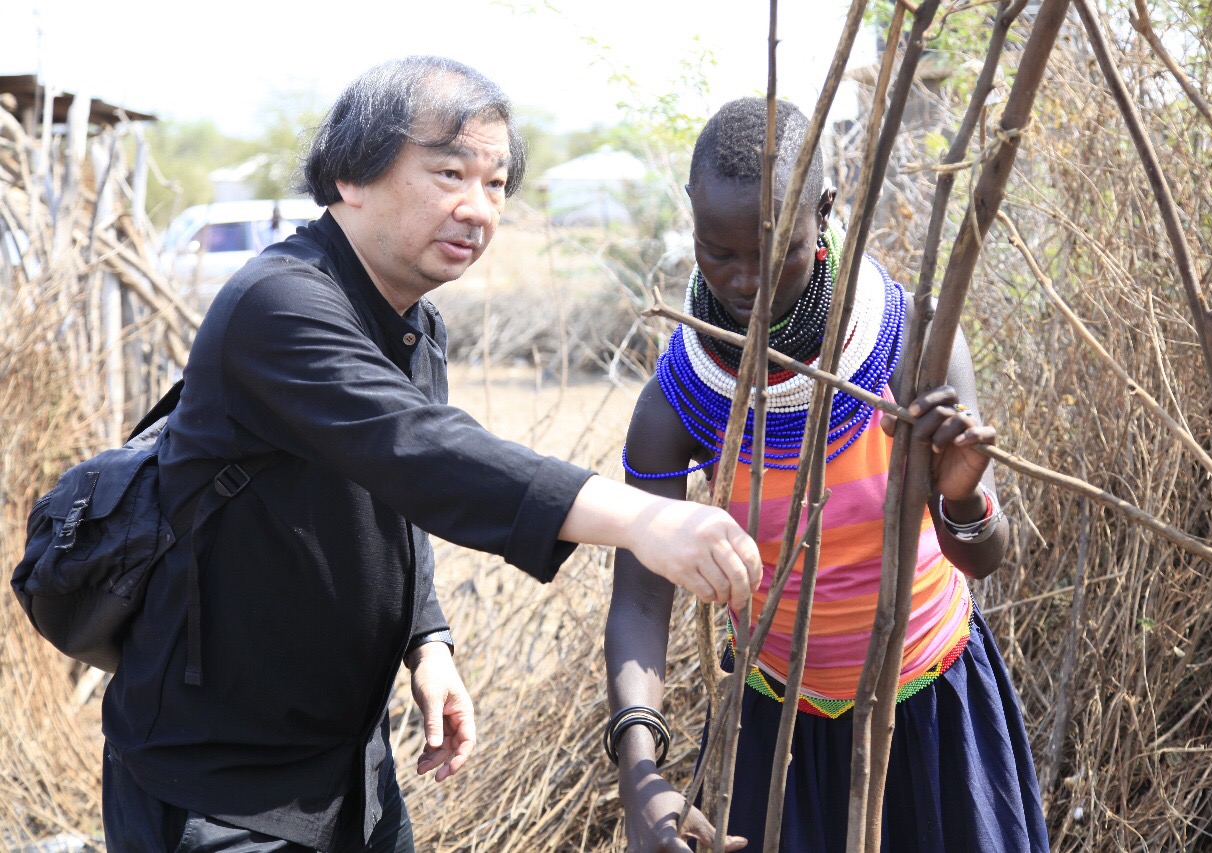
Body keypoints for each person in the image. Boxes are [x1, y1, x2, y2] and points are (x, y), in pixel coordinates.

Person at [100, 57, 762, 852]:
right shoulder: (279, 304)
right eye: (451, 172)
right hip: (220, 780)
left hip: (349, 766)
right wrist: (643, 517)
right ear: (352, 174)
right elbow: (423, 451)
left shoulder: (410, 318)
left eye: (496, 184)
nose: (478, 209)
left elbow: (397, 487)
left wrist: (428, 640)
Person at [604, 98, 1050, 852]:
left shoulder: (913, 339)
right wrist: (640, 777)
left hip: (931, 705)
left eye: (776, 249)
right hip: (776, 725)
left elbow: (982, 557)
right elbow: (641, 596)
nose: (743, 282)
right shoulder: (679, 398)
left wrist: (963, 494)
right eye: (718, 252)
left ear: (827, 211)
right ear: (692, 225)